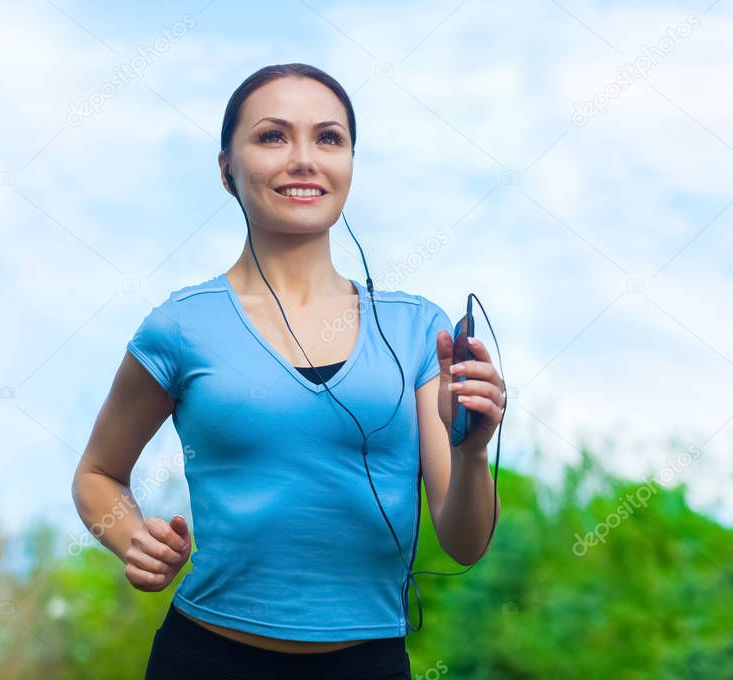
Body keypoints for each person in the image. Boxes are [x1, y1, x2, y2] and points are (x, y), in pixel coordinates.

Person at [71, 62, 506, 680]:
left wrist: (471, 452)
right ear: (227, 169)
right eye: (273, 136)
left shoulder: (418, 333)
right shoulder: (179, 327)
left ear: (350, 164)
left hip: (370, 664)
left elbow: (464, 544)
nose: (304, 158)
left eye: (328, 138)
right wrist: (130, 537)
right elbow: (97, 474)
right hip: (204, 658)